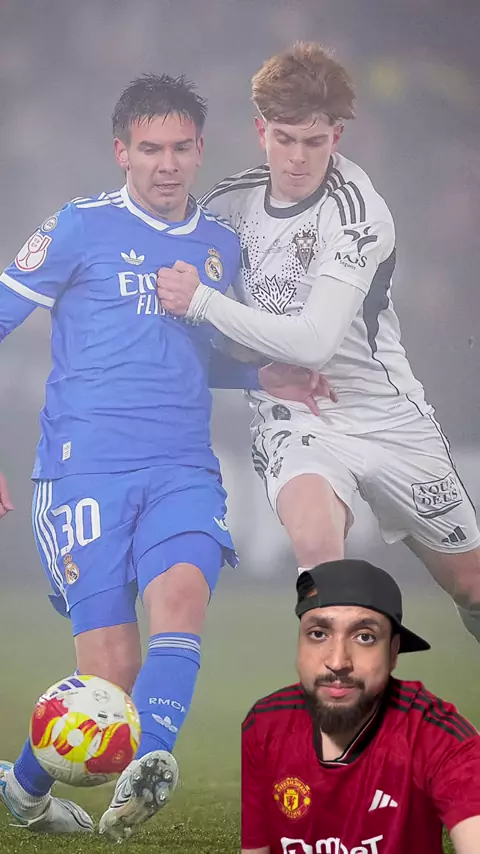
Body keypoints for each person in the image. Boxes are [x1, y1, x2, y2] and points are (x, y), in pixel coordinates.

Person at [0, 73, 307, 841]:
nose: (166, 165)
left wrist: (263, 375)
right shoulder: (78, 226)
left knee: (181, 602)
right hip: (82, 472)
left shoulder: (220, 247)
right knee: (110, 680)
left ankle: (150, 763)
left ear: (200, 149)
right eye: (149, 149)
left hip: (181, 468)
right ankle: (24, 791)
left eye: (179, 148)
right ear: (121, 152)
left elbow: (198, 355)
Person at [156, 42, 480, 646]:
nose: (298, 157)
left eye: (314, 140)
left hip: (385, 416)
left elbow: (314, 342)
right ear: (261, 131)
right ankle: (348, 700)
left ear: (337, 135)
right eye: (284, 138)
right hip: (294, 413)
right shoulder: (226, 206)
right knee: (321, 559)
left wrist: (201, 301)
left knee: (472, 587)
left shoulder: (359, 212)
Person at [242, 559, 480, 853]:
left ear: (393, 652)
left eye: (365, 637)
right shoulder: (265, 725)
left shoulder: (436, 736)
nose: (338, 661)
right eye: (318, 634)